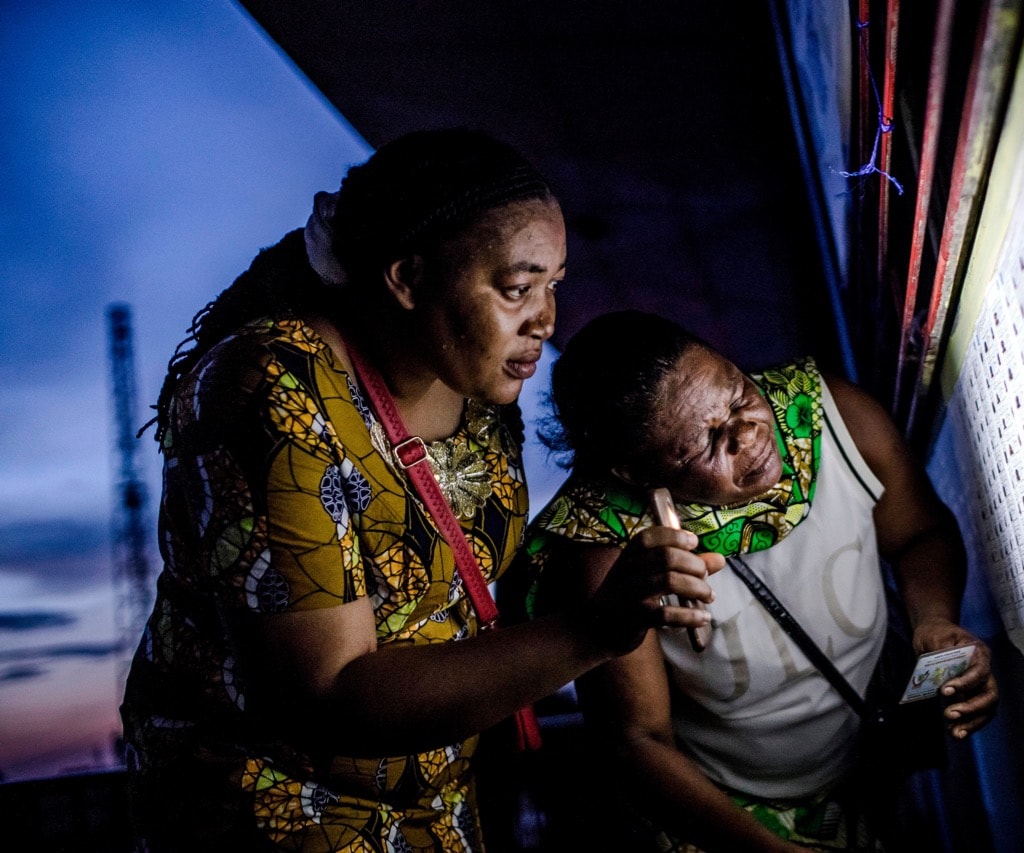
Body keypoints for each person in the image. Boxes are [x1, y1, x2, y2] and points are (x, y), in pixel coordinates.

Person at [119, 131, 717, 851]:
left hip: (438, 810)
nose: (547, 320)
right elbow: (328, 695)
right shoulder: (274, 388)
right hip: (269, 814)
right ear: (407, 278)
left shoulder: (482, 389)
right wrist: (593, 629)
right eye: (518, 288)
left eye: (554, 284)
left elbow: (467, 596)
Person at [521, 310, 999, 852]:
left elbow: (920, 534)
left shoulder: (834, 419)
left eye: (739, 395)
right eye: (706, 444)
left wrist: (935, 624)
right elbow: (638, 742)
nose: (747, 434)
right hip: (730, 814)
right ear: (635, 473)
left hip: (865, 766)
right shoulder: (614, 555)